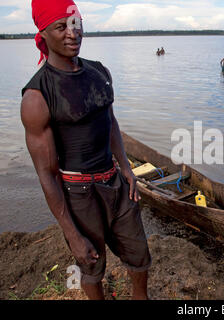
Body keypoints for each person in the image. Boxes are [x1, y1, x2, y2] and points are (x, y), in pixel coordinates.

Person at [20, 0, 151, 300]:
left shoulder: (99, 72)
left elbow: (110, 123)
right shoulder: (37, 96)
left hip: (115, 184)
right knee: (91, 266)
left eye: (75, 23)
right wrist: (71, 233)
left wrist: (126, 168)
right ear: (43, 33)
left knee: (139, 255)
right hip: (78, 194)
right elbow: (47, 175)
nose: (72, 33)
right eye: (61, 26)